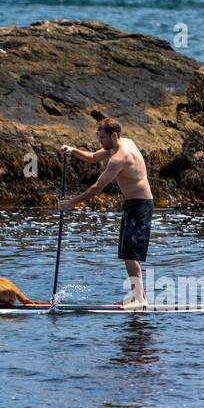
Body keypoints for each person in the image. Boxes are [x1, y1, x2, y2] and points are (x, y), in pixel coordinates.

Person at [56, 119, 154, 308]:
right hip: (132, 204)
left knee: (130, 253)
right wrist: (72, 150)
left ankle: (140, 300)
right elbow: (93, 157)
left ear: (114, 136)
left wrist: (70, 203)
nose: (100, 141)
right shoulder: (123, 143)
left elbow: (96, 188)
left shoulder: (120, 157)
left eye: (102, 137)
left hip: (141, 206)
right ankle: (136, 295)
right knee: (127, 252)